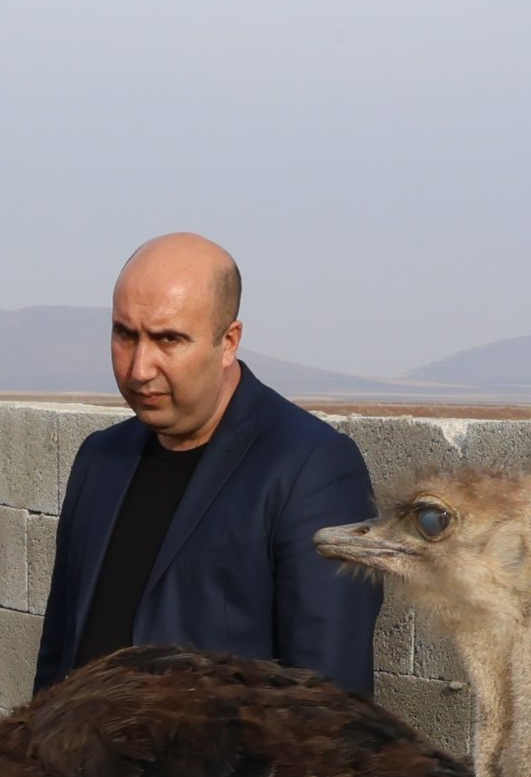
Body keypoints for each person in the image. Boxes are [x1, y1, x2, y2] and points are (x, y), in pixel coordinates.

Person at [31, 231, 379, 697]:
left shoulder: (311, 468)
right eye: (124, 334)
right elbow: (58, 659)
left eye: (168, 339)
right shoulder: (99, 459)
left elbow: (331, 707)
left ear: (229, 341)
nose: (139, 368)